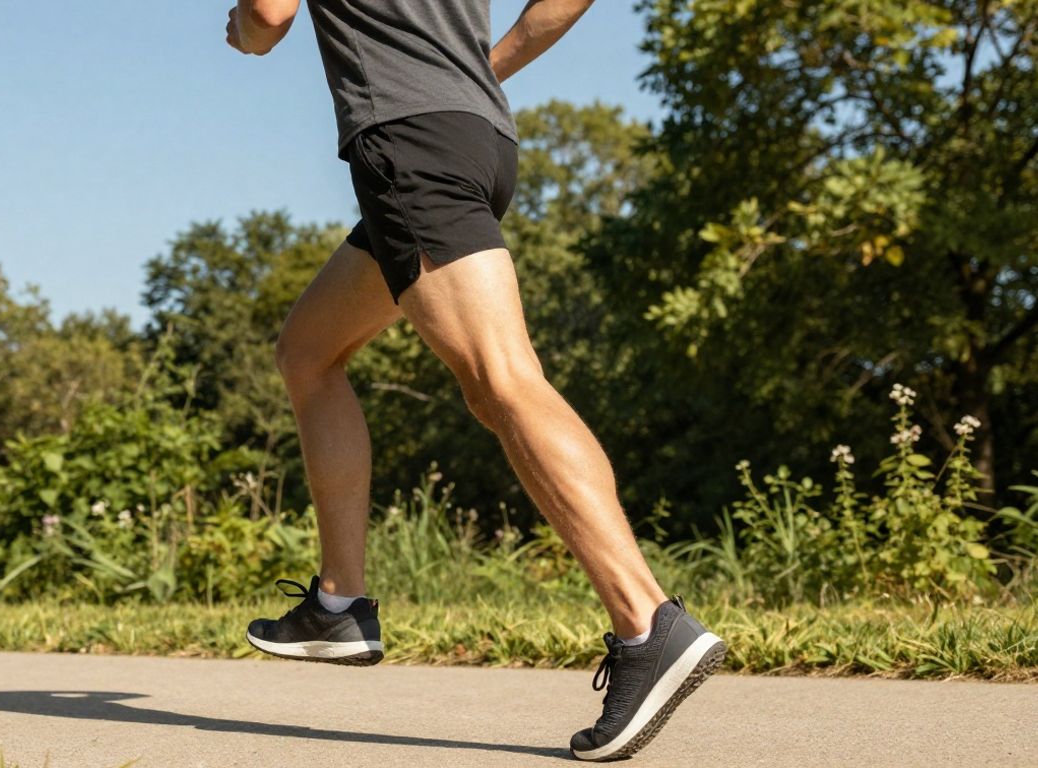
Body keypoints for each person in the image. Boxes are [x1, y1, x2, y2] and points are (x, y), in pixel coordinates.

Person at [224, 0, 726, 760]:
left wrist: (246, 30)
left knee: (502, 379)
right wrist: (475, 72)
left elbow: (268, 14)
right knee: (308, 353)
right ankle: (338, 603)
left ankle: (646, 620)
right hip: (476, 134)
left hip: (407, 139)